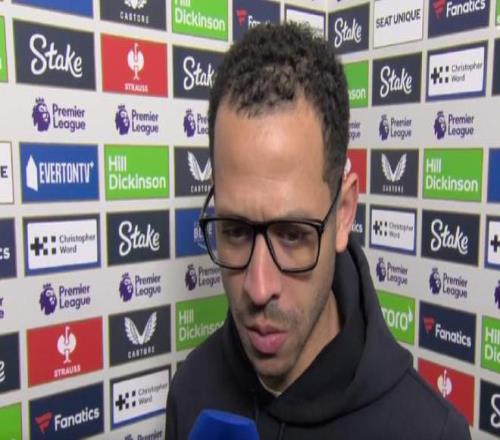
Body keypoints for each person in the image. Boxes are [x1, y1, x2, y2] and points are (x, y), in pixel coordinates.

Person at [166, 22, 470, 440]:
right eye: (235, 230)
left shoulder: (429, 431)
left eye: (292, 234)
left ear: (343, 214)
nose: (258, 288)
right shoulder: (191, 391)